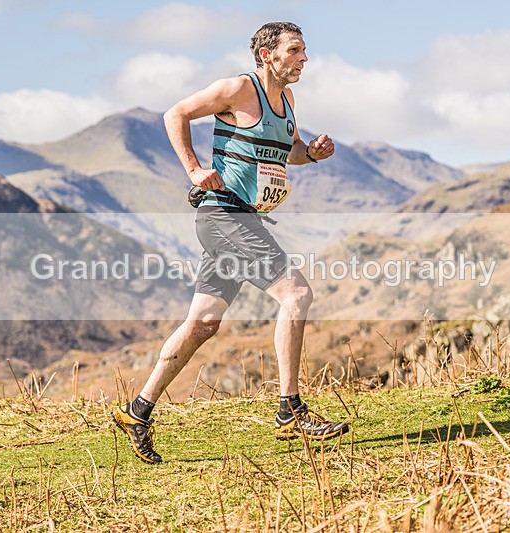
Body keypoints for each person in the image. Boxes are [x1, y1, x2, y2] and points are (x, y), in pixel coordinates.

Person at [113, 21, 349, 464]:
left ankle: (138, 410)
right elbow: (175, 114)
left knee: (203, 323)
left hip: (238, 220)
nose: (304, 58)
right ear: (267, 55)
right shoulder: (238, 88)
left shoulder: (287, 101)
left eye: (304, 51)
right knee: (297, 295)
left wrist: (311, 153)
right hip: (224, 215)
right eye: (295, 50)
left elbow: (288, 150)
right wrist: (193, 169)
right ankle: (290, 412)